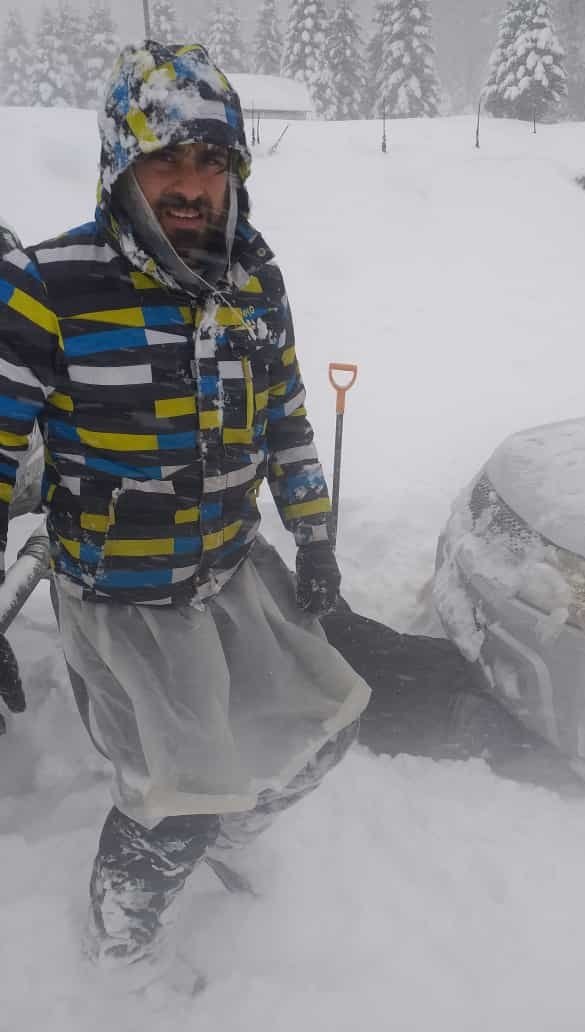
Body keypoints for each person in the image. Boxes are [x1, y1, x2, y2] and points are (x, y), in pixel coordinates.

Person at [0, 41, 370, 989]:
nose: (191, 184)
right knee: (176, 795)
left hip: (229, 569)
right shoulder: (49, 287)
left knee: (321, 730)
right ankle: (122, 948)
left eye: (212, 161)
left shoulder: (254, 280)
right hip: (123, 598)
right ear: (120, 163)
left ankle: (226, 827)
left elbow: (285, 416)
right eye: (164, 158)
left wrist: (315, 532)